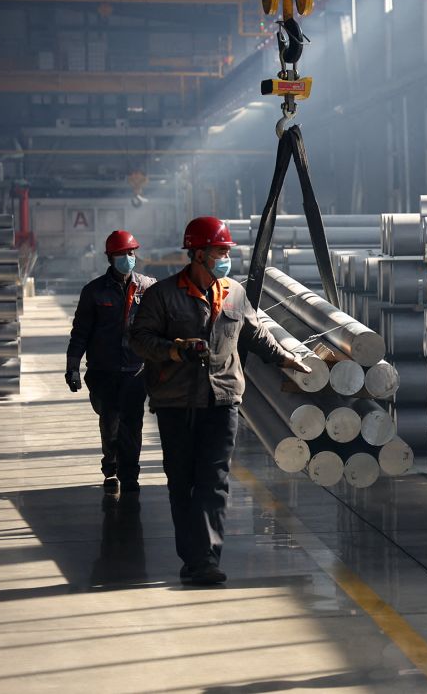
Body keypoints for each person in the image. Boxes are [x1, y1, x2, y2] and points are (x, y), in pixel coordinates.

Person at [129, 216, 310, 586]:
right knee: (182, 482)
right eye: (219, 252)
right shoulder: (161, 295)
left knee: (214, 479)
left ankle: (205, 560)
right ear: (197, 254)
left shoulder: (235, 293)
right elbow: (139, 339)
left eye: (227, 252)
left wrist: (288, 359)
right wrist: (175, 350)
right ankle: (192, 556)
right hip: (176, 402)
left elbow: (256, 334)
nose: (225, 258)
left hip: (223, 398)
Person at [67, 230, 156, 494]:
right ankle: (111, 468)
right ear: (110, 258)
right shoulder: (93, 292)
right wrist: (72, 366)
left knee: (132, 424)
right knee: (110, 423)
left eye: (131, 253)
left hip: (135, 372)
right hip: (103, 372)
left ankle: (130, 475)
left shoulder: (148, 288)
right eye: (121, 254)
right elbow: (80, 332)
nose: (128, 258)